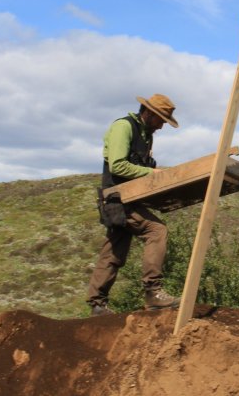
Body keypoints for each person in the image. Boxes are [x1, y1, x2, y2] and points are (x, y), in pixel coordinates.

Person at [87, 94, 182, 316]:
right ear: (148, 113)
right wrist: (153, 173)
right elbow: (118, 166)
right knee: (156, 230)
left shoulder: (146, 134)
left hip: (128, 199)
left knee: (114, 250)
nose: (161, 126)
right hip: (118, 199)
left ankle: (97, 304)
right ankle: (153, 292)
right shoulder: (124, 127)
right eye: (160, 120)